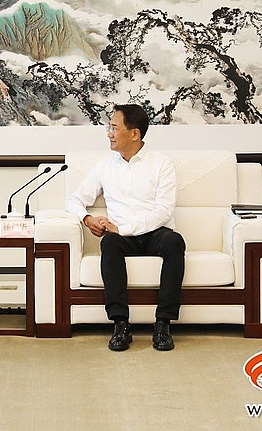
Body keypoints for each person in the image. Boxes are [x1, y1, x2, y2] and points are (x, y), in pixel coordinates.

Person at [66, 104, 185, 351]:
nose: (109, 134)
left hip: (154, 233)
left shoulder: (162, 164)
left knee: (175, 242)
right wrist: (88, 220)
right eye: (109, 128)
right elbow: (74, 200)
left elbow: (163, 211)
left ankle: (163, 324)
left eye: (114, 128)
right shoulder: (104, 166)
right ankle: (120, 324)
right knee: (109, 243)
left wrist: (124, 228)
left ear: (134, 134)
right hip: (119, 236)